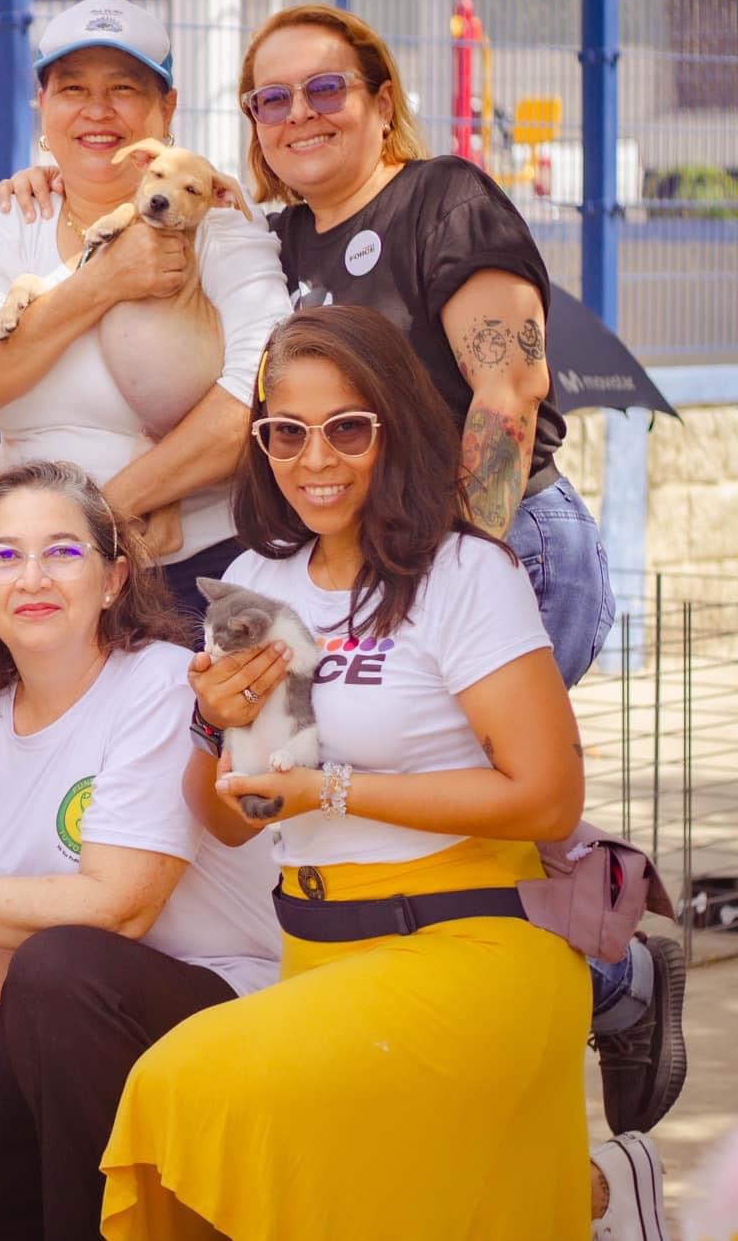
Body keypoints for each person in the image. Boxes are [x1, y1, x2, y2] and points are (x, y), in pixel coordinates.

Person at [217, 2, 680, 1146]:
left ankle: (605, 984)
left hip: (491, 537)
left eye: (325, 88)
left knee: (494, 821)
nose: (297, 115)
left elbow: (507, 389)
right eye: (269, 98)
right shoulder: (279, 244)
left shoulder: (442, 199)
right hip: (364, 561)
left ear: (380, 98)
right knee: (426, 819)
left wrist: (455, 564)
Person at [102, 304, 633, 1240]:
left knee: (186, 1088)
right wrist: (210, 725)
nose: (316, 460)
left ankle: (594, 1193)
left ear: (395, 427)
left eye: (348, 428)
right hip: (321, 956)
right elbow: (236, 817)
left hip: (471, 946)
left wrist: (333, 790)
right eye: (287, 433)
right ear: (260, 443)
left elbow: (549, 797)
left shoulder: (463, 572)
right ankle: (598, 1196)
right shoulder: (262, 586)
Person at [0, 462, 279, 1238]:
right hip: (70, 1022)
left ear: (113, 579)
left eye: (64, 552)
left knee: (61, 963)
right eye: (4, 556)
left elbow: (118, 907)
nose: (32, 577)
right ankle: (151, 1218)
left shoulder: (164, 687)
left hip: (228, 1009)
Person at [0, 0, 293, 627]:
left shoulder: (221, 221)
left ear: (167, 109)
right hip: (35, 578)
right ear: (42, 107)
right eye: (72, 87)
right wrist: (104, 281)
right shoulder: (4, 219)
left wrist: (94, 521)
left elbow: (262, 392)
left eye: (124, 88)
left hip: (198, 571)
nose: (97, 110)